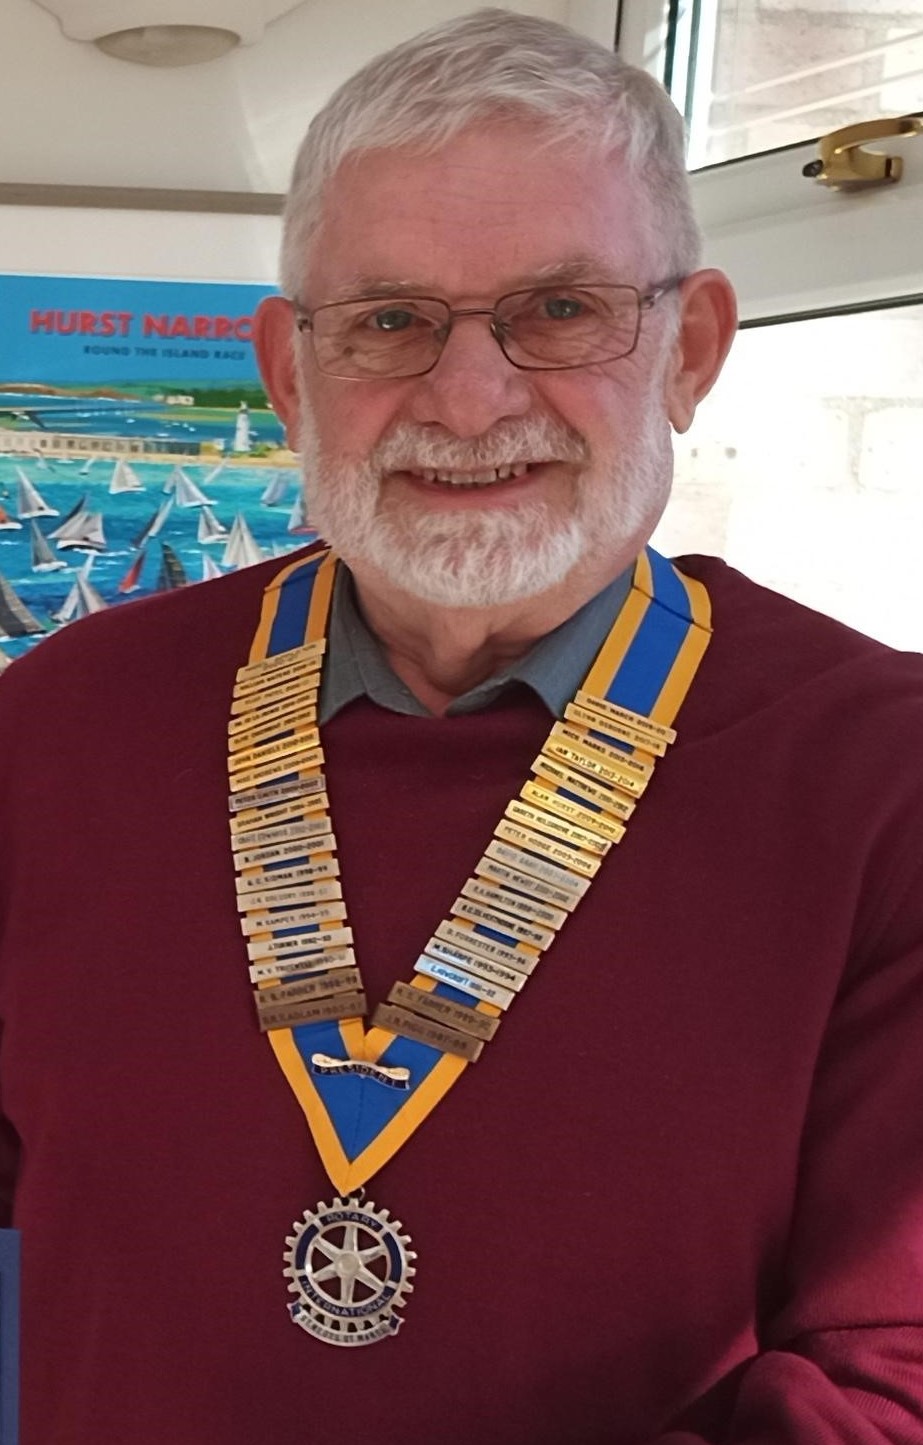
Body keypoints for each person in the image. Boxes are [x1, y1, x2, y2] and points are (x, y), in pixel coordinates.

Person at [1, 9, 922, 1443]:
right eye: (390, 319)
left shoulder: (886, 782)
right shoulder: (56, 725)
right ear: (291, 372)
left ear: (689, 350)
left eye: (560, 309)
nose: (471, 397)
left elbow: (892, 1378)